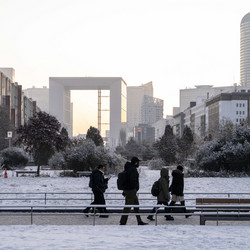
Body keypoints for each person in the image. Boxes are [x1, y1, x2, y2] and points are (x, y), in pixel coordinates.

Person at [119, 157, 148, 225]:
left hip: (130, 190)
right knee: (128, 206)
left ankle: (139, 221)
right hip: (131, 191)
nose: (138, 163)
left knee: (136, 206)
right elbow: (132, 181)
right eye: (138, 162)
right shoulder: (132, 169)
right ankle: (123, 222)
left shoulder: (129, 168)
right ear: (135, 162)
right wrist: (134, 188)